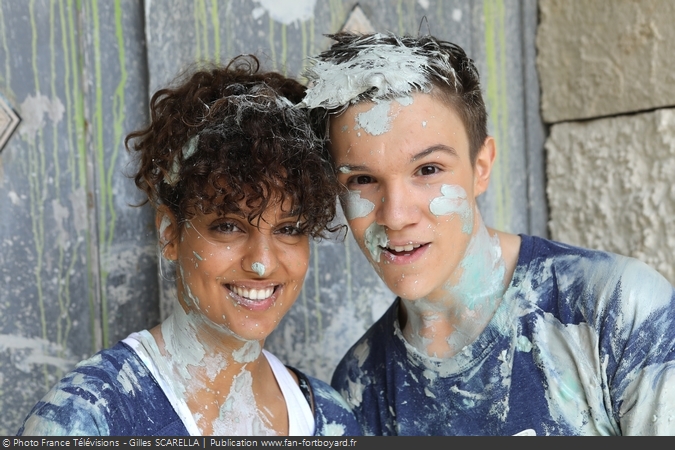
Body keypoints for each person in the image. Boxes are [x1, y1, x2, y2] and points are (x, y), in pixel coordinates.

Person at [300, 32, 675, 436]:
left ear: (481, 167)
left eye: (427, 170)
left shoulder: (615, 309)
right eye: (362, 179)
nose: (395, 215)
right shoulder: (361, 388)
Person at [18, 56, 360, 436]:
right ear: (169, 233)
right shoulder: (87, 417)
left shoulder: (330, 419)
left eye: (289, 228)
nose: (262, 264)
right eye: (228, 226)